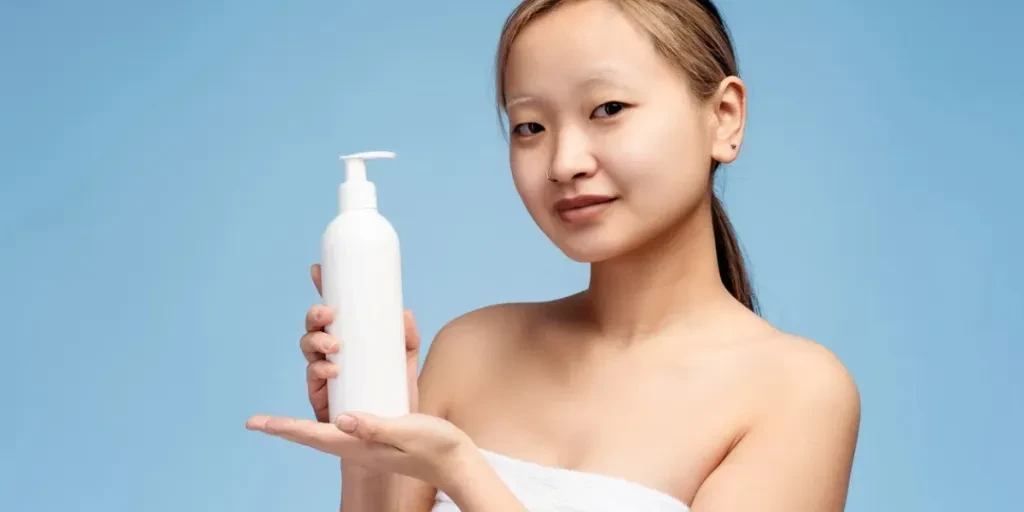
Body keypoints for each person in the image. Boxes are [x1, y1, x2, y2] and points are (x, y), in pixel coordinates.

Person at [246, 0, 862, 510]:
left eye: (609, 110)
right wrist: (368, 440)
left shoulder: (794, 391)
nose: (565, 162)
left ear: (724, 118)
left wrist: (463, 470)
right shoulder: (471, 348)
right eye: (529, 127)